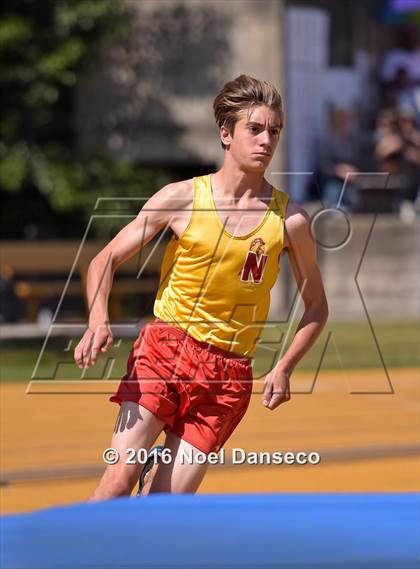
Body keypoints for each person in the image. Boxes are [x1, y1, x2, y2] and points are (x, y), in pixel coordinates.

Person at [74, 74, 328, 500]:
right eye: (255, 128)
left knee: (164, 508)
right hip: (165, 349)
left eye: (275, 130)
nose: (266, 140)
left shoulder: (291, 222)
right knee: (117, 481)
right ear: (226, 134)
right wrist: (97, 320)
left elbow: (317, 307)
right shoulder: (182, 198)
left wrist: (284, 366)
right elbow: (105, 259)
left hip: (228, 376)